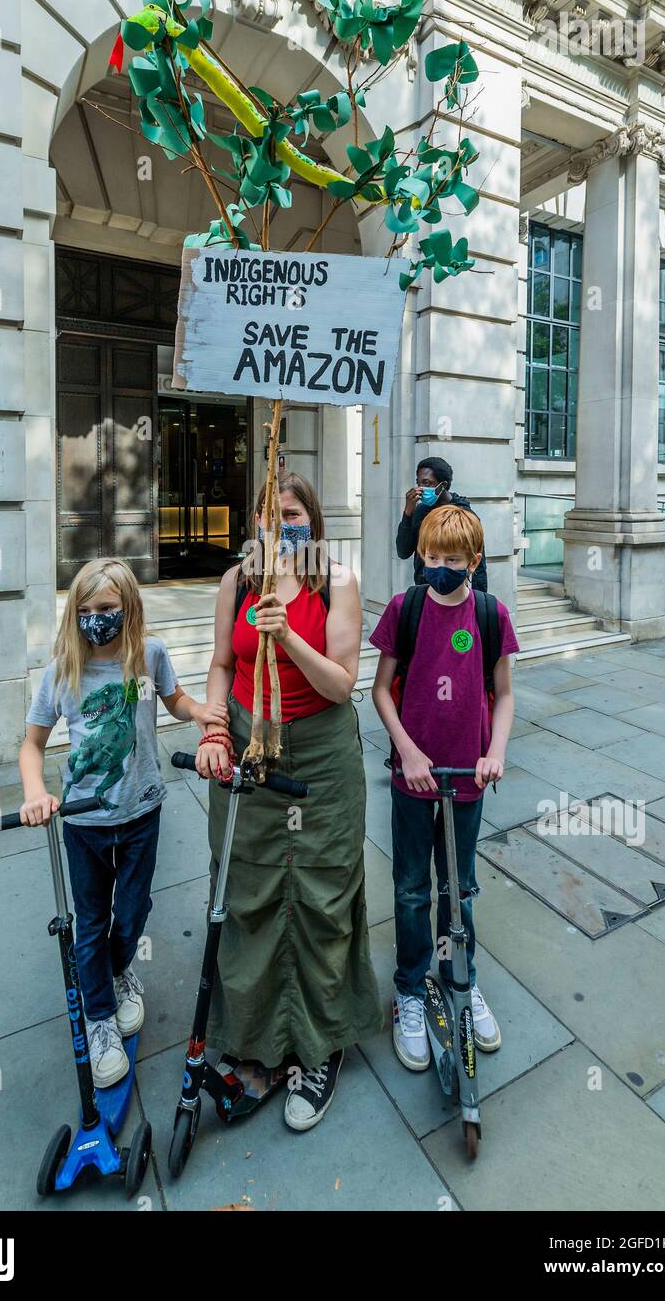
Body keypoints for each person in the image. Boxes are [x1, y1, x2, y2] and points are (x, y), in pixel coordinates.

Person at [196, 471, 382, 1131]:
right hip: (251, 745)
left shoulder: (338, 583)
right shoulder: (235, 583)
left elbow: (340, 685)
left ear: (314, 519)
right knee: (250, 891)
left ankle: (319, 1046)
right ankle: (260, 1042)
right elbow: (221, 663)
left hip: (322, 754)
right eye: (269, 515)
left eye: (293, 512)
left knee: (321, 893)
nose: (281, 524)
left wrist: (288, 635)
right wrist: (215, 725)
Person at [18, 557, 226, 1087]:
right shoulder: (62, 670)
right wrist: (36, 791)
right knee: (89, 921)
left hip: (142, 811)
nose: (96, 619)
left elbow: (173, 700)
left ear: (128, 607)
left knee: (132, 911)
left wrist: (199, 711)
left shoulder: (148, 655)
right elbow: (32, 745)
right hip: (84, 821)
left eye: (107, 608)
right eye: (84, 610)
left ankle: (116, 969)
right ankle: (100, 1016)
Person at [370, 503, 518, 1071]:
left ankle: (461, 978)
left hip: (467, 780)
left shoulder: (489, 614)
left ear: (474, 561)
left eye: (451, 560)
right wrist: (407, 750)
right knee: (410, 887)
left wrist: (495, 752)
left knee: (460, 890)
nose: (439, 568)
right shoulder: (405, 610)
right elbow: (382, 689)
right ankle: (410, 989)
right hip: (414, 779)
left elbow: (502, 694)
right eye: (431, 558)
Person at [396, 455, 488, 592]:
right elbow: (403, 552)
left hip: (455, 591)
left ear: (443, 485)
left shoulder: (464, 514)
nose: (421, 488)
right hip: (424, 589)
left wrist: (480, 602)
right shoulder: (420, 510)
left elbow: (479, 566)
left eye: (427, 483)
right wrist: (408, 512)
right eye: (419, 482)